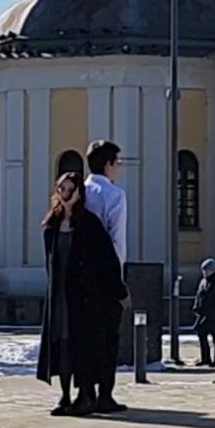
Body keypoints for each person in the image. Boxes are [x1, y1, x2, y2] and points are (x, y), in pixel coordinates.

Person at [39, 172, 128, 415]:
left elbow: (107, 260)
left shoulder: (89, 224)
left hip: (84, 299)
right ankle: (65, 395)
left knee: (81, 346)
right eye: (61, 189)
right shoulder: (52, 225)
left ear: (79, 192)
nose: (65, 194)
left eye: (70, 189)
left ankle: (83, 396)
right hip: (59, 296)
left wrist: (119, 290)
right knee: (62, 344)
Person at [80, 140, 130, 412]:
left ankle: (84, 390)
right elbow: (116, 241)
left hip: (79, 275)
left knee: (85, 336)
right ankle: (104, 394)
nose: (119, 168)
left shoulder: (80, 192)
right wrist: (119, 280)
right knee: (108, 336)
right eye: (117, 162)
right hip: (106, 275)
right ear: (108, 163)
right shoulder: (114, 195)